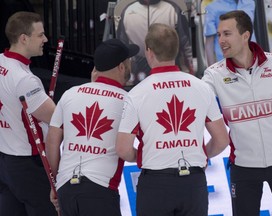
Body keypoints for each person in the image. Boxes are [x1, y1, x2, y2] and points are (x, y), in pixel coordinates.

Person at [116, 23, 229, 216]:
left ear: (149, 52)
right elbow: (222, 140)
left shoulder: (137, 94)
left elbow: (123, 149)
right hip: (193, 182)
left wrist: (144, 155)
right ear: (176, 50)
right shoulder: (201, 87)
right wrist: (201, 154)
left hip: (155, 183)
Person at [202, 10, 272, 215]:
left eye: (227, 34)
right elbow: (196, 106)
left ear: (245, 35)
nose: (220, 40)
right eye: (219, 34)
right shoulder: (213, 75)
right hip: (243, 166)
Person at [46, 38, 139, 215]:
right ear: (121, 67)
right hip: (100, 189)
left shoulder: (70, 93)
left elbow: (51, 142)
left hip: (66, 186)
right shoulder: (128, 100)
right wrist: (139, 157)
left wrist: (55, 182)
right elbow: (132, 147)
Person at [0, 11, 57, 215]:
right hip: (28, 163)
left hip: (5, 159)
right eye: (40, 35)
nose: (45, 39)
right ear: (24, 38)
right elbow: (55, 118)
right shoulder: (24, 79)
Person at [116, 0, 194, 85]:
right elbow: (121, 45)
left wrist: (189, 69)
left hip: (168, 68)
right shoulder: (128, 10)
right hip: (137, 70)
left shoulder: (172, 9)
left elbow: (185, 42)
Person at [204, 0, 256, 66]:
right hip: (226, 63)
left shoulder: (250, 3)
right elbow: (209, 44)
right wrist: (212, 70)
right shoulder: (212, 8)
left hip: (251, 60)